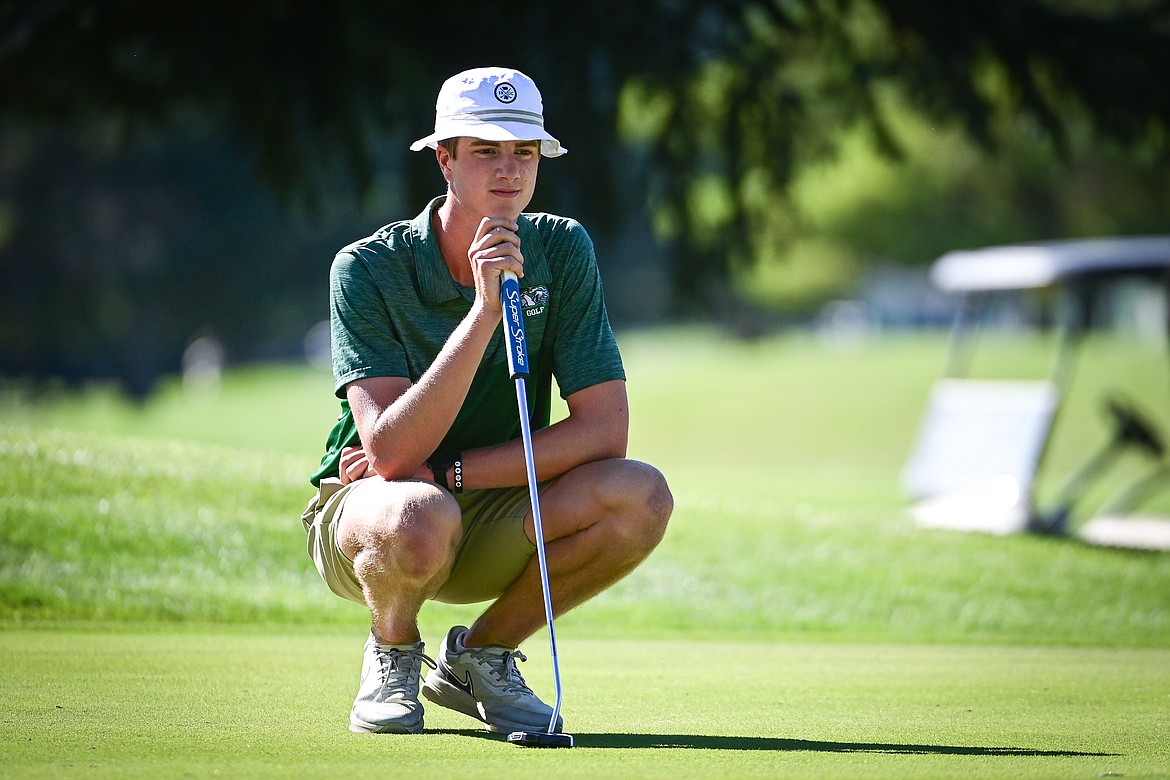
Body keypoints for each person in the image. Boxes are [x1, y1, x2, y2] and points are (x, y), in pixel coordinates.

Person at [300, 66, 673, 736]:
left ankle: (481, 657)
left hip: (490, 501)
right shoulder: (366, 268)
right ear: (443, 159)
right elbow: (387, 453)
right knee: (417, 511)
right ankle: (391, 654)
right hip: (376, 517)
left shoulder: (562, 247)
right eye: (485, 151)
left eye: (524, 153)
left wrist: (453, 472)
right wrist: (483, 311)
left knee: (640, 495)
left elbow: (603, 432)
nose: (509, 171)